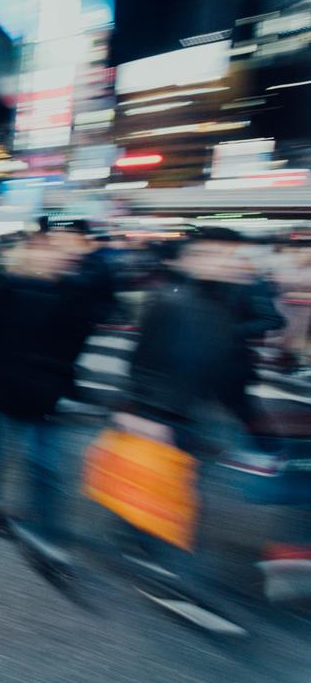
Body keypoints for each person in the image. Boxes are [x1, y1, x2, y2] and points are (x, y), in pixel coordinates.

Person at [120, 227, 285, 632]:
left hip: (200, 414)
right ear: (191, 260)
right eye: (215, 254)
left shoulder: (220, 303)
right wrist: (146, 412)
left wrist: (240, 414)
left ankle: (157, 557)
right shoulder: (171, 302)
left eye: (232, 255)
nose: (228, 263)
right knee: (175, 495)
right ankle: (173, 578)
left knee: (181, 495)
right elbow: (144, 361)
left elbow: (216, 365)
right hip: (166, 416)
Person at [0, 230, 93, 569]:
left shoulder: (73, 293)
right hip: (0, 386)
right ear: (30, 254)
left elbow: (71, 349)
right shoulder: (7, 287)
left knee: (45, 465)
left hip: (45, 394)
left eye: (60, 252)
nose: (57, 257)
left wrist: (66, 387)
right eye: (47, 250)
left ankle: (45, 531)